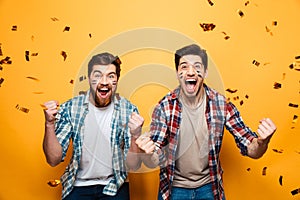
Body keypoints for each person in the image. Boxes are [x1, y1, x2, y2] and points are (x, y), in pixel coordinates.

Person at [134, 44, 277, 200]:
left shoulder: (221, 104)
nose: (190, 72)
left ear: (205, 72)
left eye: (197, 66)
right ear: (177, 73)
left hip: (210, 187)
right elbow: (155, 158)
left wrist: (262, 142)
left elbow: (252, 149)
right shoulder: (165, 107)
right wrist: (146, 151)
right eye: (184, 66)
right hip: (174, 188)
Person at [42, 52, 144, 200]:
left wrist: (135, 135)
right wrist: (49, 124)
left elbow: (134, 165)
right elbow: (53, 159)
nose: (104, 81)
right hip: (78, 186)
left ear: (116, 80)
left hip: (114, 185)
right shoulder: (71, 108)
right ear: (89, 78)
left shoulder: (128, 110)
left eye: (110, 76)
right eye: (98, 75)